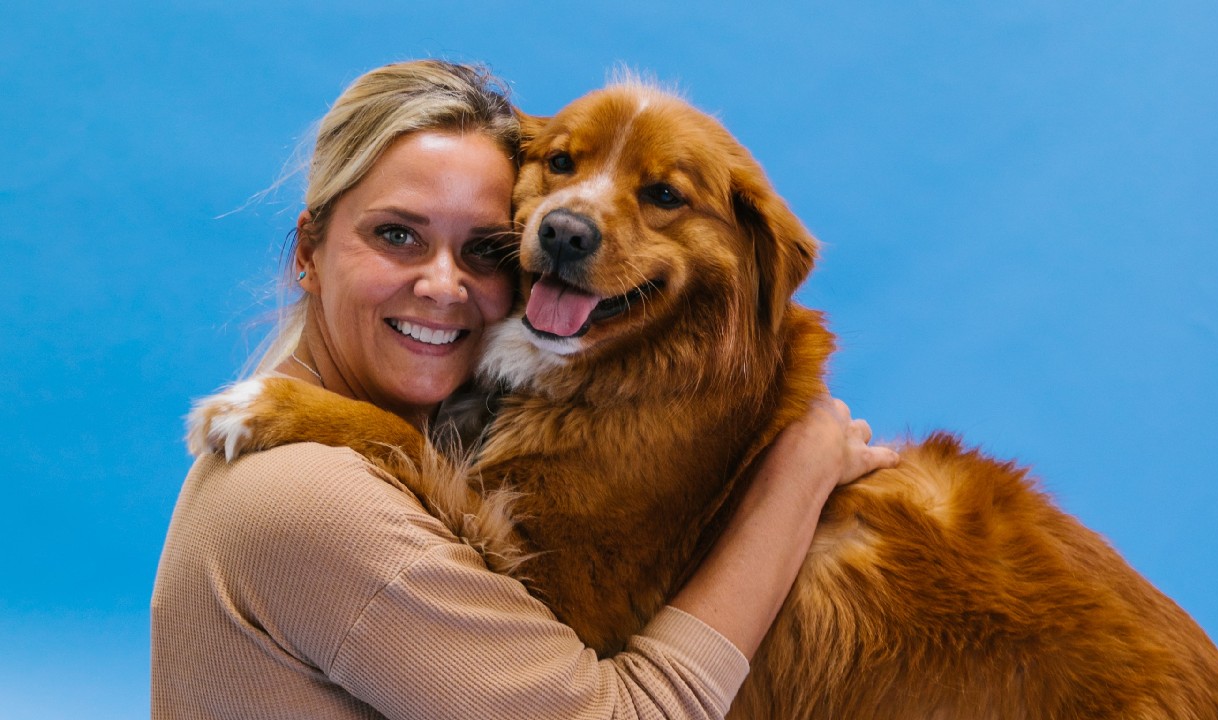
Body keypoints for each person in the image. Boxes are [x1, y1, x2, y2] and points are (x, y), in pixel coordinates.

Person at [152, 59, 900, 720]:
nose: (444, 284)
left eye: (483, 248)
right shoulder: (311, 500)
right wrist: (794, 483)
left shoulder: (326, 461)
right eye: (397, 235)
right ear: (308, 250)